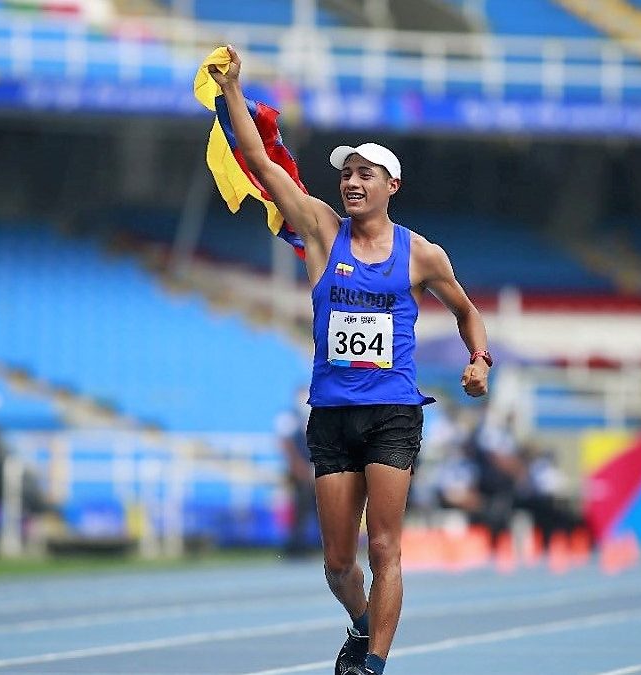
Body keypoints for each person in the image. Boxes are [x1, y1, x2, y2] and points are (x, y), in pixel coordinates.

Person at [208, 46, 490, 675]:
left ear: (392, 186)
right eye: (346, 174)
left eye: (366, 174)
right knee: (339, 562)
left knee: (385, 545)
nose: (352, 182)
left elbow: (468, 312)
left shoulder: (423, 255)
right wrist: (234, 89)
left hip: (393, 412)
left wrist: (479, 361)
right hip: (332, 414)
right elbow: (256, 160)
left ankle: (374, 665)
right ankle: (363, 627)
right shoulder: (319, 232)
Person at [275, 388, 318, 557]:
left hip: (316, 469)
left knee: (319, 509)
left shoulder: (317, 416)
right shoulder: (289, 418)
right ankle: (297, 544)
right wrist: (300, 468)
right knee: (301, 508)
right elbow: (288, 446)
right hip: (300, 471)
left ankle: (323, 544)